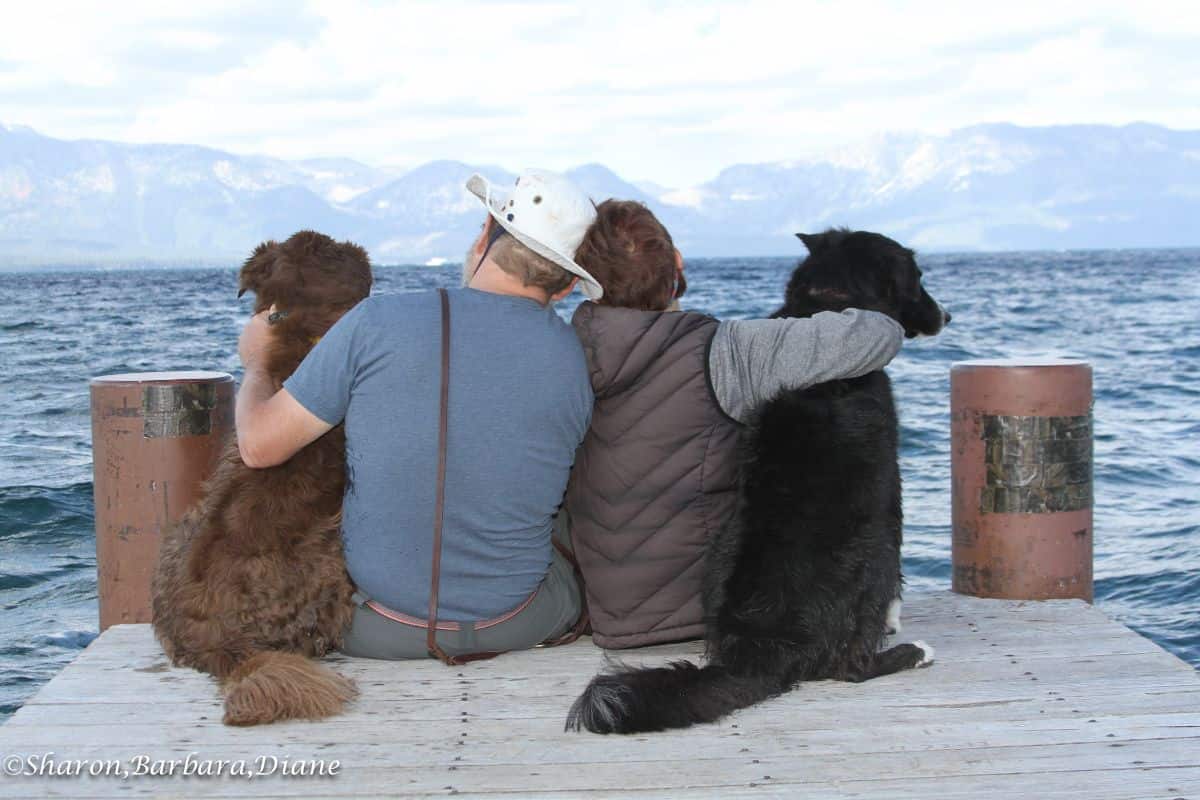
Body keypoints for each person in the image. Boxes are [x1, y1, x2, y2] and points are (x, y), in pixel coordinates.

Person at [235, 170, 603, 660]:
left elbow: (258, 446)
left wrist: (259, 363)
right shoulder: (575, 356)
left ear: (484, 236)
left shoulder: (376, 321)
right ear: (568, 286)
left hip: (375, 627)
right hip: (517, 621)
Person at [565, 200, 907, 649]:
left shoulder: (562, 350)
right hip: (711, 606)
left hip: (603, 607)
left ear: (585, 280)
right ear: (678, 263)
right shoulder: (726, 350)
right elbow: (878, 335)